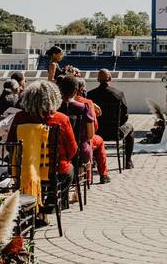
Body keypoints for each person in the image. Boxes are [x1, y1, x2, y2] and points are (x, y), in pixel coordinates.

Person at [7, 81, 79, 214]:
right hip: (54, 171)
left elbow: (10, 145)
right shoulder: (61, 119)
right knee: (70, 170)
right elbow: (72, 150)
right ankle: (51, 204)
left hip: (25, 172)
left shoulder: (19, 118)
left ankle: (37, 207)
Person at [86, 69, 136, 169]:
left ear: (97, 79)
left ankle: (94, 160)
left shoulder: (90, 95)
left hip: (96, 132)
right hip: (115, 132)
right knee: (130, 128)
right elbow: (125, 115)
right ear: (110, 78)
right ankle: (128, 161)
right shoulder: (118, 94)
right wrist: (117, 125)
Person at [75, 78, 111, 183]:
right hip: (83, 140)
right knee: (98, 141)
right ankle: (103, 175)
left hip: (67, 140)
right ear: (81, 89)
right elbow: (94, 127)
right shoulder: (88, 103)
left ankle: (88, 176)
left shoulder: (61, 102)